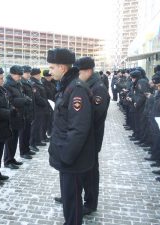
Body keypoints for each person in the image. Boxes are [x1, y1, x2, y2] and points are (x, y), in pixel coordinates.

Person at [47, 48, 95, 225]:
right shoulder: (67, 86)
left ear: (63, 68)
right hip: (68, 157)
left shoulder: (76, 89)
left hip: (73, 159)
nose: (50, 71)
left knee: (72, 200)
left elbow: (78, 129)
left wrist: (66, 156)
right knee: (69, 198)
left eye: (52, 67)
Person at [74, 57, 110, 215]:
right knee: (80, 169)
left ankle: (90, 203)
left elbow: (96, 114)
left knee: (90, 172)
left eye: (79, 72)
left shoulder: (98, 88)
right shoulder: (88, 84)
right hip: (84, 136)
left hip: (91, 137)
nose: (77, 75)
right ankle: (74, 195)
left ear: (88, 71)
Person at [3, 65, 31, 169]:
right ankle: (7, 160)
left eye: (20, 75)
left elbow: (22, 95)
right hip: (12, 116)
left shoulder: (17, 84)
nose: (20, 77)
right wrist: (24, 100)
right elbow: (10, 101)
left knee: (15, 139)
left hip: (19, 115)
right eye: (18, 75)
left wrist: (26, 98)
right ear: (12, 74)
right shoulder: (7, 86)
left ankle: (12, 158)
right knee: (10, 140)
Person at [29, 68, 49, 148]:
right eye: (38, 74)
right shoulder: (34, 84)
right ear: (35, 75)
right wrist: (45, 102)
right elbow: (37, 97)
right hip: (38, 108)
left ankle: (37, 141)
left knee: (39, 126)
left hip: (41, 108)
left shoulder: (38, 82)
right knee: (35, 127)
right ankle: (32, 143)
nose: (40, 76)